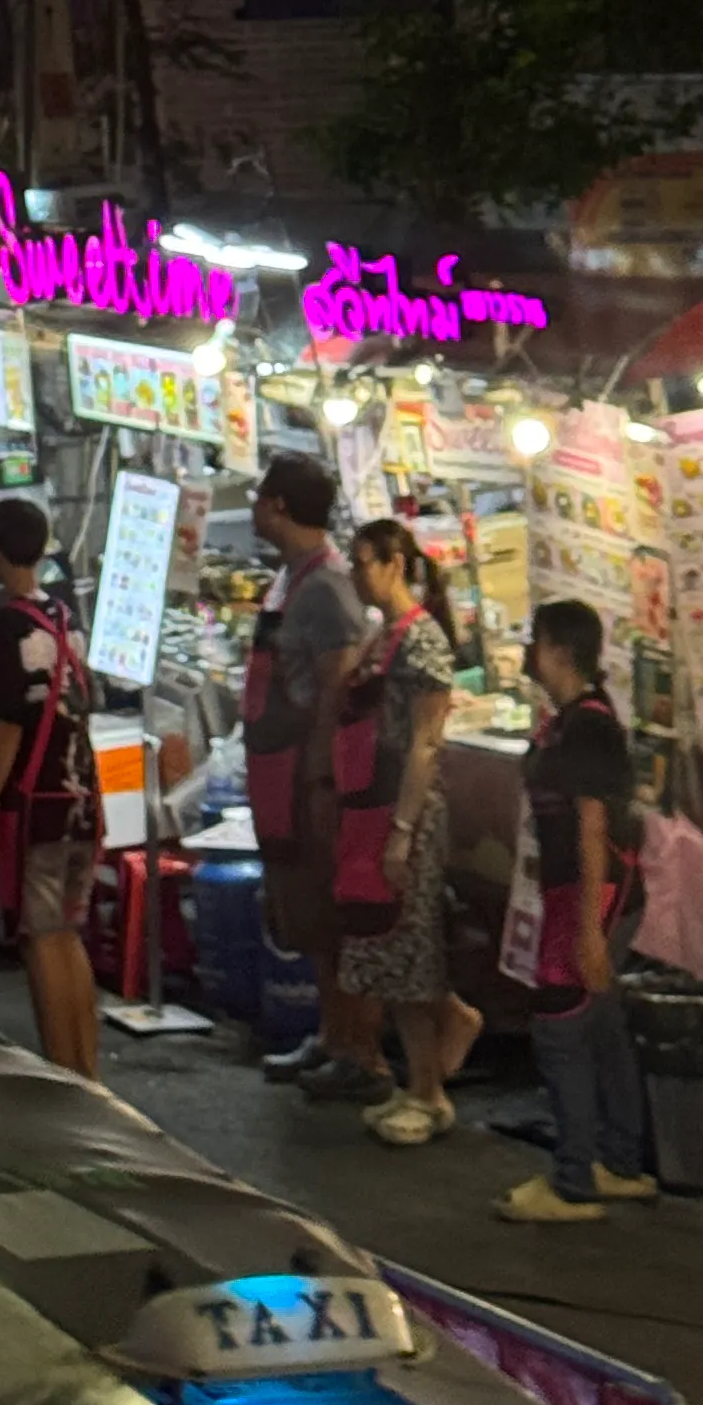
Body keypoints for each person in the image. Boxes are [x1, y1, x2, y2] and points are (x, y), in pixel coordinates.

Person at [499, 598, 656, 1224]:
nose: (527, 652)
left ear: (560, 650)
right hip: (580, 890)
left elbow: (592, 826)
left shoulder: (587, 725)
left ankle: (574, 1182)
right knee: (602, 1026)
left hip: (595, 892)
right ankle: (619, 1163)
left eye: (534, 641)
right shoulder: (569, 719)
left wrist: (590, 928)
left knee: (562, 1026)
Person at [245, 453, 383, 1102]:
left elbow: (338, 689)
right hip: (280, 771)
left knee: (333, 915)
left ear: (276, 506)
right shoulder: (290, 578)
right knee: (305, 913)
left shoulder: (326, 584)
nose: (252, 508)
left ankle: (362, 1051)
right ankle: (331, 1038)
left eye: (257, 497)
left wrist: (324, 779)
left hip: (311, 773)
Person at [340, 519, 480, 1145]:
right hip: (373, 806)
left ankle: (429, 1090)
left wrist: (401, 831)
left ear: (395, 563)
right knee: (386, 951)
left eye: (364, 561)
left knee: (408, 950)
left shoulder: (421, 641)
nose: (356, 573)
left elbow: (425, 743)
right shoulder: (385, 635)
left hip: (408, 812)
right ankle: (418, 1081)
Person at [0, 494, 102, 1080]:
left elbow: (7, 729)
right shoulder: (65, 615)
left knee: (41, 938)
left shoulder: (6, 624)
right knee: (67, 935)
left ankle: (63, 1076)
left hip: (38, 801)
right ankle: (87, 1070)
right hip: (82, 797)